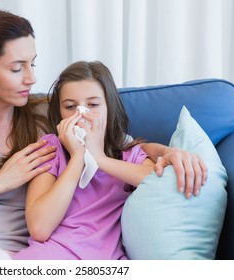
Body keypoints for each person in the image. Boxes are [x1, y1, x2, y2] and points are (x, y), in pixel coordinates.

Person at [0, 8, 206, 260]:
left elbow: (116, 144)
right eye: (16, 68)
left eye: (33, 63)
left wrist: (169, 152)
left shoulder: (48, 115)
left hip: (18, 259)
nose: (31, 78)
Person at [12, 60, 160, 259]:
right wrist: (77, 157)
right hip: (50, 256)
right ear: (60, 112)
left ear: (109, 106)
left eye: (93, 105)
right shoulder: (50, 149)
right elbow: (39, 228)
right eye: (70, 106)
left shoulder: (128, 154)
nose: (81, 114)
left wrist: (99, 158)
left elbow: (161, 183)